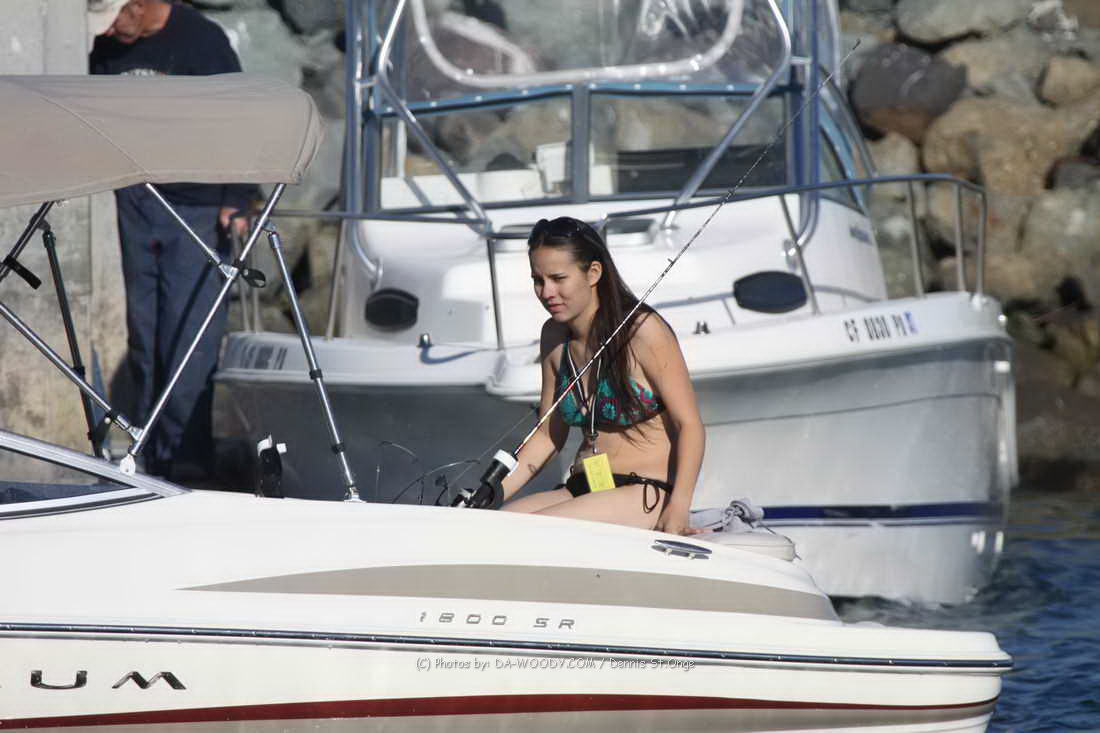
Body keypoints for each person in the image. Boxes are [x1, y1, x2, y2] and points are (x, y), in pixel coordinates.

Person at [89, 0, 254, 479]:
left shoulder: (202, 41)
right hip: (136, 199)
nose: (108, 32)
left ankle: (187, 457)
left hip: (197, 203)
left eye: (114, 20)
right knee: (145, 334)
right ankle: (146, 450)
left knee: (190, 335)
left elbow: (238, 119)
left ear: (138, 6)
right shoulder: (109, 48)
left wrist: (237, 198)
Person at [499, 217, 705, 535]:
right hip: (583, 487)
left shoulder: (642, 331)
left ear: (593, 273)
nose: (546, 292)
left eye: (558, 278)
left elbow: (689, 425)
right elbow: (547, 436)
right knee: (494, 524)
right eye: (538, 280)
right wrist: (491, 494)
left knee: (532, 533)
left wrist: (679, 507)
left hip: (643, 491)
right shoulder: (554, 336)